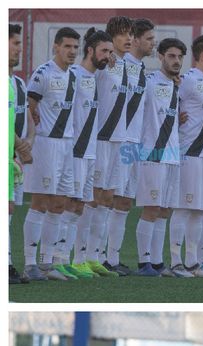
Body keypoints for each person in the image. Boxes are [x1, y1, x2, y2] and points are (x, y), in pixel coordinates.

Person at [22, 27, 80, 282]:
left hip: (67, 145)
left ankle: (47, 263)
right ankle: (29, 263)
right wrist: (30, 138)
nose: (72, 51)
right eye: (67, 46)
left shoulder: (73, 76)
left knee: (59, 204)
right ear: (56, 47)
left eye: (75, 47)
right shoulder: (43, 73)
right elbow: (28, 108)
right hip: (46, 144)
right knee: (40, 202)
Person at [62, 28, 113, 280]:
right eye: (104, 51)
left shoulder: (96, 77)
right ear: (90, 50)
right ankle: (58, 260)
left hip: (90, 151)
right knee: (67, 204)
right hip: (75, 151)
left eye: (110, 52)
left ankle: (78, 260)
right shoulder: (73, 74)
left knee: (80, 206)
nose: (108, 56)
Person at [106, 17, 154, 275]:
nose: (152, 43)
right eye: (148, 38)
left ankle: (113, 259)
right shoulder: (112, 63)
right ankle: (97, 256)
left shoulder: (140, 68)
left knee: (124, 202)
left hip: (135, 143)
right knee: (106, 198)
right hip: (116, 140)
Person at [135, 37, 186, 276]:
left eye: (180, 57)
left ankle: (157, 262)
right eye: (171, 56)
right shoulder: (149, 81)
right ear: (160, 56)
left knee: (165, 210)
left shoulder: (178, 85)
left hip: (173, 154)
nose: (176, 61)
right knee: (152, 208)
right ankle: (143, 261)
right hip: (153, 152)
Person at [174, 34, 203, 277]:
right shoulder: (189, 79)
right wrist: (175, 116)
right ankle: (175, 262)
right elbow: (170, 102)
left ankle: (193, 263)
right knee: (183, 208)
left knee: (199, 211)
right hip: (191, 153)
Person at [87, 16, 132, 278]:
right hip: (100, 138)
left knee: (107, 199)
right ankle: (81, 256)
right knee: (93, 199)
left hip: (119, 140)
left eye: (131, 34)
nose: (129, 39)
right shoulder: (103, 64)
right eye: (123, 34)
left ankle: (96, 257)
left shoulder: (125, 65)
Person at [9, 22, 34, 284]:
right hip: (9, 155)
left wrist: (29, 142)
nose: (20, 49)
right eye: (15, 43)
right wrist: (19, 146)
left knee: (10, 210)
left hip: (14, 158)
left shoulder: (18, 83)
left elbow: (28, 118)